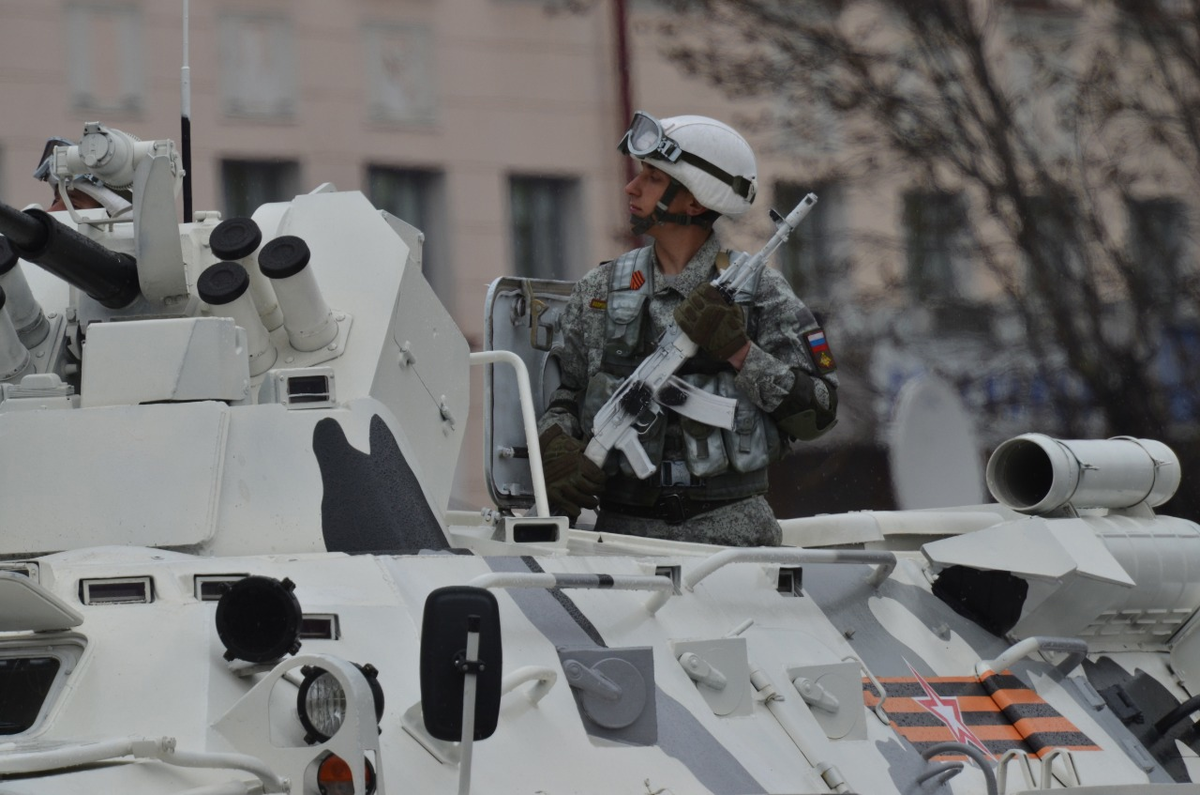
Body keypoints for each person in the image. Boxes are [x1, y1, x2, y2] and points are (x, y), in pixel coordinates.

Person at [536, 111, 838, 546]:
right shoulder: (599, 290)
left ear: (695, 201)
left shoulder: (760, 292)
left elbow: (820, 414)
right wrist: (556, 446)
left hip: (733, 539)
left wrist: (740, 352)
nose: (632, 187)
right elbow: (564, 395)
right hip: (621, 539)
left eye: (654, 178)